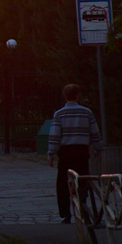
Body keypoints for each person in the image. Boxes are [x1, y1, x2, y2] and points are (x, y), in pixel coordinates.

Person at [46, 84, 103, 224]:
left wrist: (51, 153)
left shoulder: (59, 114)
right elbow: (95, 132)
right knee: (83, 179)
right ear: (78, 96)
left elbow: (55, 136)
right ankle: (83, 208)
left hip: (66, 152)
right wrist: (97, 149)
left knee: (63, 182)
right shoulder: (87, 112)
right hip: (82, 151)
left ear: (65, 96)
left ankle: (66, 213)